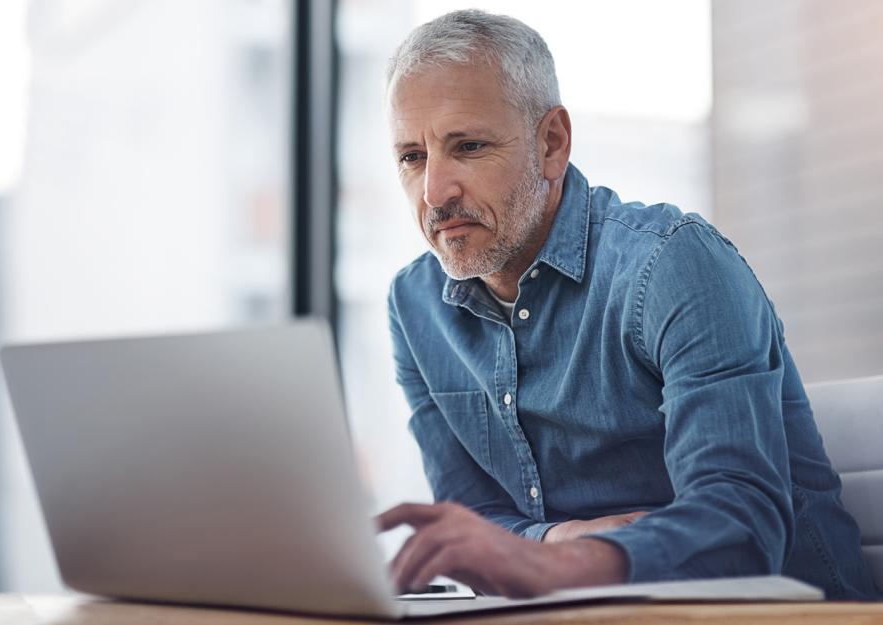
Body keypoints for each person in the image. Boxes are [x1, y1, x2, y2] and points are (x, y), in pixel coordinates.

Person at [377, 9, 880, 601]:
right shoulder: (415, 306)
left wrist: (551, 567)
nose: (435, 192)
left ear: (551, 143)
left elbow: (741, 524)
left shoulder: (672, 264)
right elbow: (471, 517)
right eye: (412, 157)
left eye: (469, 145)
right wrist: (554, 542)